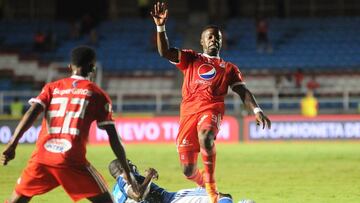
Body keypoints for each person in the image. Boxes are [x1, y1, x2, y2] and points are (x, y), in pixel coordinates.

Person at [150, 2, 271, 203]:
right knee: (188, 170)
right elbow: (165, 52)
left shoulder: (229, 68)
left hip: (211, 109)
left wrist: (256, 109)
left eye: (218, 37)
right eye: (210, 37)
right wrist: (160, 27)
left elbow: (243, 91)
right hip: (188, 114)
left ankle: (213, 194)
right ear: (202, 41)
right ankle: (207, 188)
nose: (214, 39)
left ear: (222, 42)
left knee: (206, 136)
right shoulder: (191, 58)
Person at [1, 46, 139, 203]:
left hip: (41, 157)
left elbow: (31, 113)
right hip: (71, 159)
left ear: (69, 67)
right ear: (92, 68)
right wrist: (127, 171)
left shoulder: (52, 88)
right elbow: (113, 136)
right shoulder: (98, 95)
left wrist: (12, 144)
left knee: (15, 201)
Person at [109, 159, 235, 203]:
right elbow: (138, 195)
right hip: (170, 199)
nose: (133, 167)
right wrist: (150, 175)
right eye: (130, 164)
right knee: (220, 197)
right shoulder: (125, 175)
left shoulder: (115, 192)